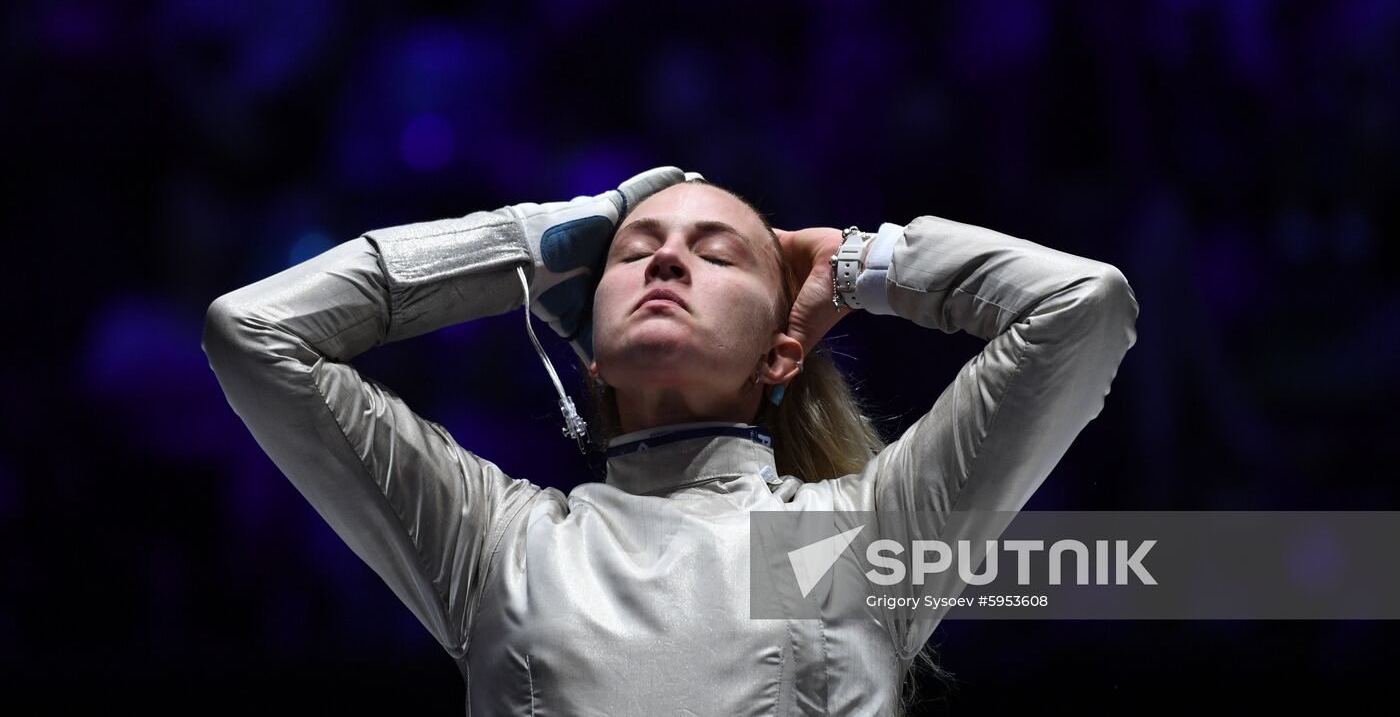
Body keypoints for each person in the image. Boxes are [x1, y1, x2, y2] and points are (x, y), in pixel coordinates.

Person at [202, 165, 1139, 716]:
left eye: (717, 252)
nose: (664, 257)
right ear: (592, 357)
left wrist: (863, 264)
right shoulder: (501, 545)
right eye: (630, 249)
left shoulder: (844, 538)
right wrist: (527, 247)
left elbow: (1081, 307)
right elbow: (254, 332)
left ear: (781, 352)